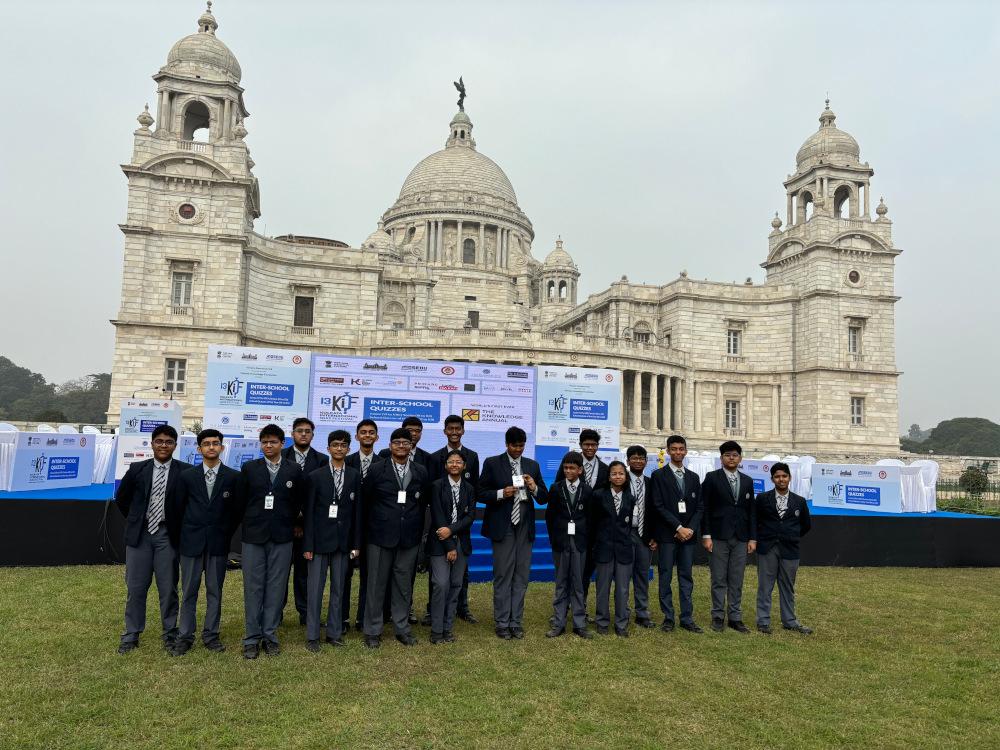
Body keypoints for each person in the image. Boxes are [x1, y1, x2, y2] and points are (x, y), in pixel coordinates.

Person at [115, 424, 193, 654]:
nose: (163, 445)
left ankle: (170, 634)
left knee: (168, 587)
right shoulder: (137, 469)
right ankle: (131, 634)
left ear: (175, 446)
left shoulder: (185, 471)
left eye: (169, 442)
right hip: (140, 536)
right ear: (152, 444)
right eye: (159, 441)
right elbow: (122, 499)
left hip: (167, 535)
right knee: (136, 587)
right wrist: (137, 519)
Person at [235, 423, 306, 659]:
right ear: (260, 444)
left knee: (276, 588)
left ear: (282, 443)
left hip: (282, 535)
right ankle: (252, 639)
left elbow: (298, 501)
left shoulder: (294, 470)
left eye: (273, 441)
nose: (268, 445)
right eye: (264, 442)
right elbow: (241, 500)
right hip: (254, 536)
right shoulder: (248, 468)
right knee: (253, 588)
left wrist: (290, 520)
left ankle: (270, 636)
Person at [169, 429, 240, 656]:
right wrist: (181, 539)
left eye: (216, 443)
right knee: (189, 591)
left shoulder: (233, 477)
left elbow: (236, 513)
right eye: (207, 444)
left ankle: (211, 635)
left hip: (218, 544)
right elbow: (176, 510)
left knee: (214, 591)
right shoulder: (187, 476)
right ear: (199, 449)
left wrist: (224, 533)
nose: (212, 447)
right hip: (190, 544)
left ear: (222, 448)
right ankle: (185, 636)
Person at [362, 427, 430, 649]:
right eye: (397, 442)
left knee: (403, 586)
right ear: (390, 446)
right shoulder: (375, 470)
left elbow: (422, 504)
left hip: (408, 538)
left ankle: (402, 628)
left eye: (406, 443)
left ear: (411, 447)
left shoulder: (421, 471)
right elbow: (366, 503)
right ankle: (373, 630)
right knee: (375, 585)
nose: (401, 446)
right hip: (379, 537)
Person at [477, 426, 548, 640]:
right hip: (503, 526)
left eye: (521, 446)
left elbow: (544, 497)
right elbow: (480, 493)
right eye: (514, 445)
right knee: (502, 575)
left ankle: (515, 621)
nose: (518, 449)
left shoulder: (532, 465)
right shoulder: (492, 463)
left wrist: (534, 487)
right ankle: (501, 621)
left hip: (525, 525)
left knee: (521, 576)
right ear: (506, 444)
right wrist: (501, 493)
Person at [302, 430, 362, 651]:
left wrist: (356, 543)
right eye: (335, 445)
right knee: (315, 590)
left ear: (348, 449)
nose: (339, 448)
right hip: (318, 542)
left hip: (343, 542)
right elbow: (308, 514)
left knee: (339, 589)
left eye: (343, 445)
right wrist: (307, 545)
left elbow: (357, 512)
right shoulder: (315, 477)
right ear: (328, 449)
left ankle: (334, 634)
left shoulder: (355, 476)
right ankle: (312, 636)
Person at [425, 414, 481, 626]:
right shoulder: (434, 457)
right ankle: (433, 610)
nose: (454, 432)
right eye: (451, 428)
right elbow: (434, 494)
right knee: (438, 576)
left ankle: (461, 607)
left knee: (460, 574)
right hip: (441, 526)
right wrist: (445, 528)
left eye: (458, 428)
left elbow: (473, 490)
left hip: (462, 527)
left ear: (463, 431)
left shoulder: (473, 457)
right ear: (445, 431)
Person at [378, 416, 432, 626]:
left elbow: (425, 495)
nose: (413, 434)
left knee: (405, 574)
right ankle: (382, 613)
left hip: (410, 524)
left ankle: (405, 609)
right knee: (382, 576)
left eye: (417, 431)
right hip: (386, 527)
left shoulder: (426, 459)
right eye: (409, 431)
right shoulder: (383, 457)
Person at [650, 435, 705, 634]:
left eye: (681, 449)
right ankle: (668, 617)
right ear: (668, 451)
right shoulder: (658, 475)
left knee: (686, 577)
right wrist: (677, 528)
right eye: (674, 449)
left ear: (686, 451)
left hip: (688, 537)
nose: (678, 452)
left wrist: (689, 529)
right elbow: (658, 506)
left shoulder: (693, 477)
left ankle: (687, 618)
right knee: (665, 576)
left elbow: (700, 507)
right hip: (667, 535)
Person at [701, 440, 756, 634]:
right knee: (718, 578)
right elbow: (705, 508)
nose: (731, 458)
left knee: (736, 579)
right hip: (717, 535)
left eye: (734, 455)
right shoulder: (712, 478)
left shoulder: (748, 481)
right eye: (727, 455)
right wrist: (706, 535)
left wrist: (752, 538)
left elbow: (751, 511)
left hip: (741, 537)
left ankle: (735, 617)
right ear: (721, 458)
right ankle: (717, 616)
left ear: (740, 458)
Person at [554, 429, 608, 622]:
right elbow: (557, 492)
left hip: (593, 527)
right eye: (586, 444)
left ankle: (581, 608)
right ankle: (563, 609)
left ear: (598, 446)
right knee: (565, 573)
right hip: (568, 527)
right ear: (581, 445)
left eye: (593, 445)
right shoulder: (569, 464)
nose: (590, 448)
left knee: (584, 572)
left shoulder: (604, 468)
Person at [754, 462, 812, 634]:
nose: (781, 479)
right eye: (777, 476)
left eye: (784, 476)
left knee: (787, 586)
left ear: (789, 478)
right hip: (767, 547)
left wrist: (790, 536)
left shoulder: (799, 501)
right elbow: (755, 521)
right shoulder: (763, 498)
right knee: (765, 586)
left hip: (790, 548)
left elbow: (805, 526)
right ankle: (763, 621)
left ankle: (790, 621)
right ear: (772, 479)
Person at [283, 417, 329, 626]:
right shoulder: (280, 456)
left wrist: (302, 521)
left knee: (304, 572)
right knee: (280, 573)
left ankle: (305, 613)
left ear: (312, 435)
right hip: (283, 524)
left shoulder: (322, 460)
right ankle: (275, 613)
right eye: (299, 430)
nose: (303, 434)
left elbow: (319, 495)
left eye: (307, 431)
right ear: (292, 434)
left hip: (309, 525)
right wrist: (293, 520)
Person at [427, 449, 476, 644]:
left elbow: (470, 517)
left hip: (461, 542)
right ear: (445, 465)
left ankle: (447, 628)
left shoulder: (470, 489)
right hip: (440, 543)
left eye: (458, 462)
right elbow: (438, 516)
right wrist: (449, 545)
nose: (454, 464)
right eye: (450, 461)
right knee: (441, 584)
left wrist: (452, 530)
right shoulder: (437, 486)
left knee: (456, 585)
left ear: (464, 466)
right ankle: (436, 630)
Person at [543, 452, 593, 640]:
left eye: (572, 468)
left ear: (580, 470)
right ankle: (559, 621)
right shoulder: (556, 488)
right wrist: (554, 539)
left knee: (578, 583)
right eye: (565, 468)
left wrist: (585, 540)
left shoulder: (587, 491)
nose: (568, 471)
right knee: (561, 582)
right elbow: (550, 517)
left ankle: (579, 623)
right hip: (561, 542)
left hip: (579, 543)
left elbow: (590, 519)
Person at [343, 419, 382, 632]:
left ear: (377, 437)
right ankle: (342, 618)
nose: (367, 435)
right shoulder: (345, 461)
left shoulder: (384, 462)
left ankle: (362, 618)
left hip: (374, 529)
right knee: (344, 574)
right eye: (363, 432)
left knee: (370, 575)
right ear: (357, 437)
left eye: (371, 432)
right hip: (347, 529)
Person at [589, 460, 634, 637]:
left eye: (621, 473)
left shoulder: (630, 498)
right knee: (602, 587)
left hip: (623, 549)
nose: (618, 476)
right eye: (614, 473)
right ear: (608, 477)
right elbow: (592, 523)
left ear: (625, 476)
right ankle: (602, 622)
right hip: (603, 548)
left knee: (622, 589)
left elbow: (628, 524)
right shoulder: (598, 496)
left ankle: (621, 623)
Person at [624, 445, 658, 629]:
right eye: (634, 458)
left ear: (646, 461)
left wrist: (655, 535)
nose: (638, 461)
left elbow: (657, 511)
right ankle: (623, 612)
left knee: (642, 575)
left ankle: (642, 613)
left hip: (645, 534)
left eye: (641, 458)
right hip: (625, 534)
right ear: (627, 461)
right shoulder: (620, 481)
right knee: (623, 575)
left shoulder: (652, 483)